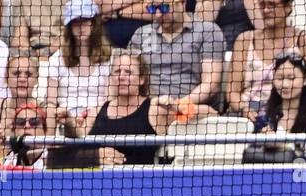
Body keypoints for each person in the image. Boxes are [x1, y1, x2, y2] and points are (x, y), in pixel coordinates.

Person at [58, 51, 213, 165]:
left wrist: (175, 106)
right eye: (117, 71)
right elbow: (74, 149)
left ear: (141, 79)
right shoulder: (97, 112)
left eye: (128, 72)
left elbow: (211, 113)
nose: (122, 76)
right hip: (99, 184)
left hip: (142, 186)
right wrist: (71, 124)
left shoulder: (155, 109)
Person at [227, 0, 306, 121]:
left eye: (272, 5)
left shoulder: (305, 40)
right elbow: (232, 92)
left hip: (289, 114)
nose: (266, 10)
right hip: (250, 114)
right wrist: (244, 109)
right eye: (262, 5)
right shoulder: (244, 40)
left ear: (288, 7)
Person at [128, 0, 226, 105]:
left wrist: (177, 105)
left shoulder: (207, 31)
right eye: (152, 9)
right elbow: (126, 73)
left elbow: (211, 84)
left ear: (182, 4)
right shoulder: (141, 33)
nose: (158, 14)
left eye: (164, 7)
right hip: (146, 108)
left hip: (189, 109)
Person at [252, 51, 306, 162]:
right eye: (280, 78)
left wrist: (280, 146)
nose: (285, 84)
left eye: (291, 78)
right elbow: (252, 156)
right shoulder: (264, 113)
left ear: (305, 80)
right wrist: (262, 143)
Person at [45, 0, 112, 121]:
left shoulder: (107, 58)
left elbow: (109, 100)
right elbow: (51, 103)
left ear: (93, 24)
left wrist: (90, 116)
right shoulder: (57, 59)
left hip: (98, 120)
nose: (81, 27)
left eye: (85, 20)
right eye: (75, 22)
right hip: (65, 120)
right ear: (69, 27)